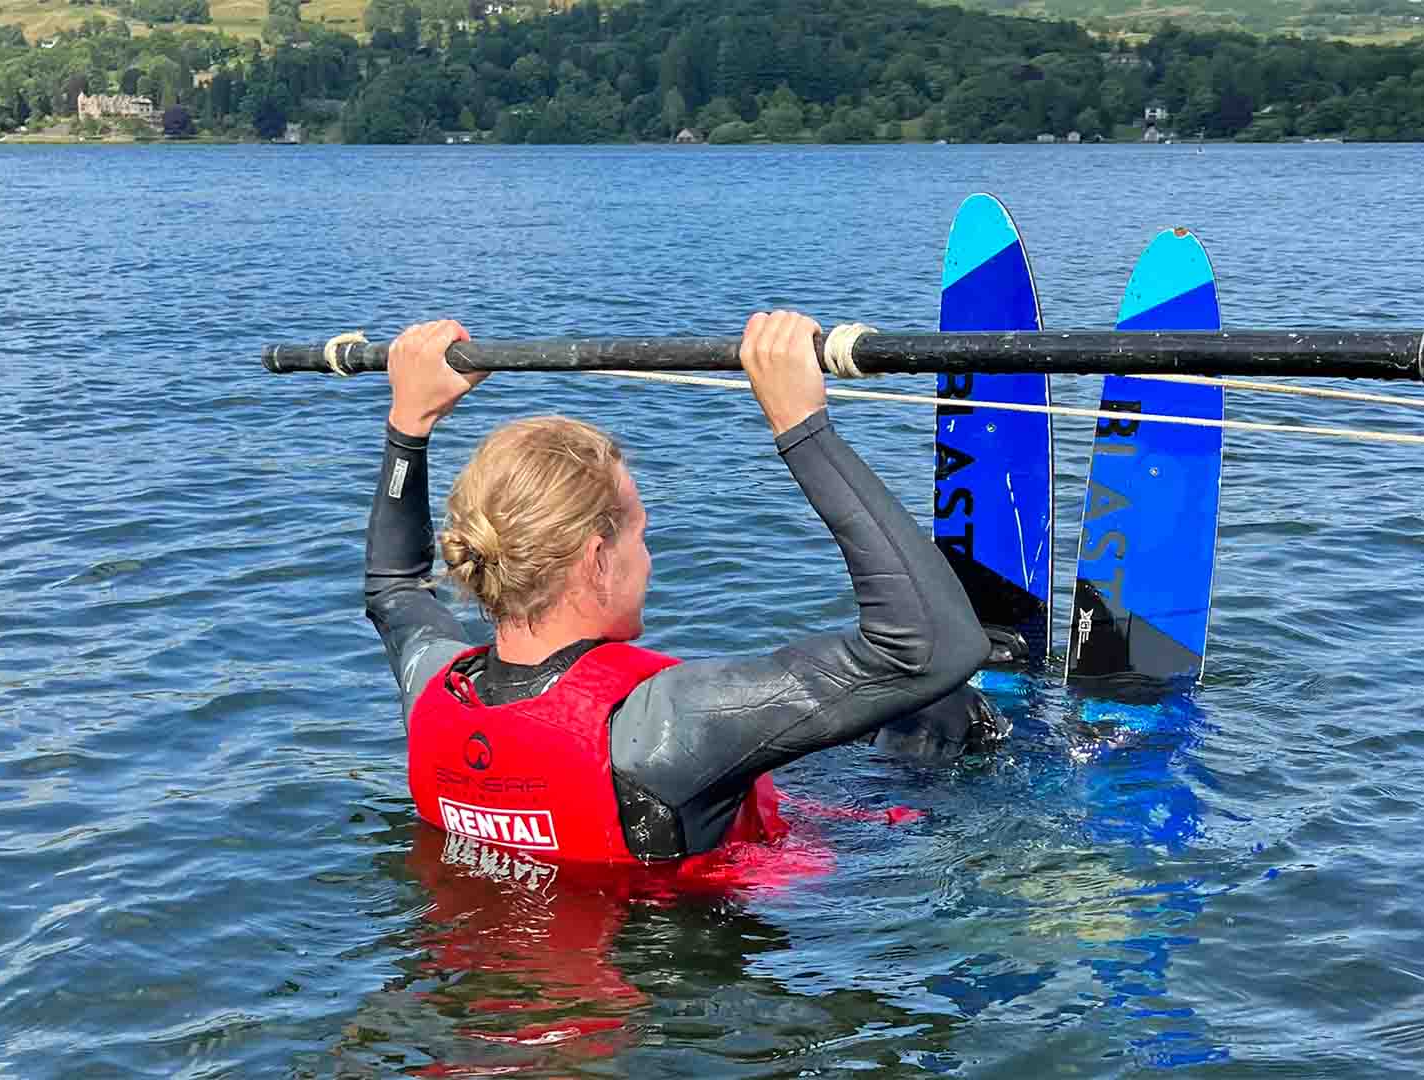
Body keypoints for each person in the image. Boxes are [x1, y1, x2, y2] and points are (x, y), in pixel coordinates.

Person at [363, 311, 1002, 876]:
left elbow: (394, 589)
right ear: (595, 558)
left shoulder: (433, 691)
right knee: (941, 710)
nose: (650, 555)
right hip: (717, 952)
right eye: (640, 534)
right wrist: (801, 425)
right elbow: (936, 646)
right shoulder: (667, 724)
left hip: (517, 975)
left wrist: (408, 422)